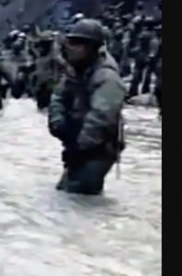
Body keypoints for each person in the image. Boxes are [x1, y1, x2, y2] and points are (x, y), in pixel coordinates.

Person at [48, 19, 126, 195]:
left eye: (77, 43)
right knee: (66, 193)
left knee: (79, 193)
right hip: (78, 140)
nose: (70, 47)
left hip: (98, 148)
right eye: (70, 42)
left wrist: (79, 148)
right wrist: (59, 124)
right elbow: (58, 96)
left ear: (92, 47)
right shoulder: (77, 68)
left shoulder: (107, 77)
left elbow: (102, 118)